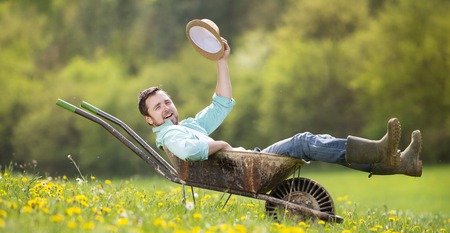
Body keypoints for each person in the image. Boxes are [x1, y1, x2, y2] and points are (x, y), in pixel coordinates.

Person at [138, 37, 422, 177]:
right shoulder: (171, 136)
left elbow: (221, 105)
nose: (165, 108)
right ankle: (381, 151)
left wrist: (221, 62)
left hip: (247, 162)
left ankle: (397, 162)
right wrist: (220, 144)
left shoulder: (187, 126)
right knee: (303, 141)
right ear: (150, 120)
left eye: (166, 101)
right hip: (245, 169)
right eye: (157, 108)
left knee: (308, 144)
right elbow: (191, 150)